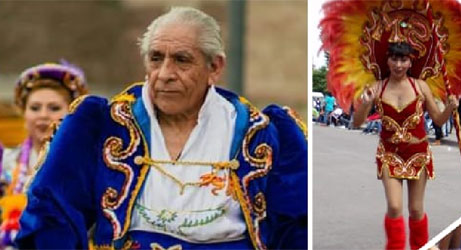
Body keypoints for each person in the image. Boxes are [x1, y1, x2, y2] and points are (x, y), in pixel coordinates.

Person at [15, 7, 308, 249]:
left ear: (215, 68)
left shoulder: (262, 133)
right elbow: (51, 216)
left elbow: (297, 230)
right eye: (156, 58)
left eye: (182, 60)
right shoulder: (100, 126)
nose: (165, 74)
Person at [351, 42, 459, 250]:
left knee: (416, 209)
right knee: (394, 206)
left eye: (403, 60)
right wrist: (366, 103)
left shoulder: (420, 86)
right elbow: (357, 122)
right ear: (387, 60)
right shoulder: (377, 87)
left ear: (410, 62)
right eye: (394, 59)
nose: (398, 65)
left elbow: (437, 120)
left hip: (417, 154)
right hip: (389, 154)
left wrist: (451, 109)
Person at [0, 62, 88, 247]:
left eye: (54, 108)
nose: (43, 115)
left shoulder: (86, 166)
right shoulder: (6, 161)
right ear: (23, 112)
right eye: (35, 108)